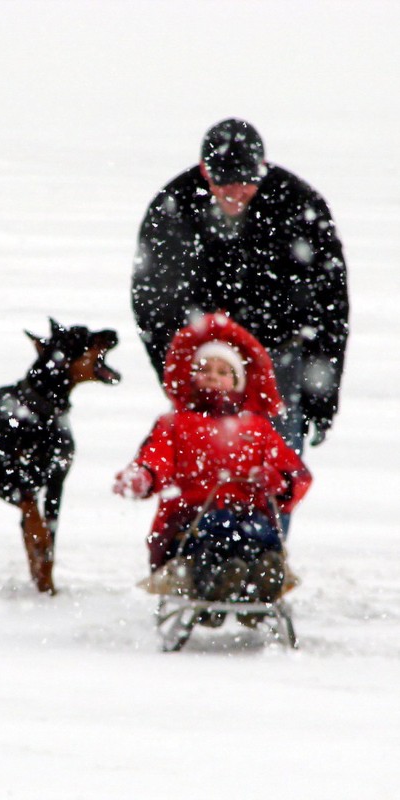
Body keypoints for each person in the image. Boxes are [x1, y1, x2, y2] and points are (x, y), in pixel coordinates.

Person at [132, 117, 349, 455]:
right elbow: (153, 304)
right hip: (206, 366)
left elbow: (330, 305)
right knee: (202, 477)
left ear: (261, 170)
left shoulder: (299, 204)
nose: (235, 193)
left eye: (245, 183)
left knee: (274, 474)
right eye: (223, 184)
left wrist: (321, 397)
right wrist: (176, 375)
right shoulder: (175, 207)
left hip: (279, 361)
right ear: (206, 172)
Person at [113, 313, 312, 608]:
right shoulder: (175, 424)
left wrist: (279, 481)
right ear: (191, 376)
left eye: (223, 372)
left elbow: (293, 471)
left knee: (259, 534)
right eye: (205, 369)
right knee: (215, 534)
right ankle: (218, 579)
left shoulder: (257, 428)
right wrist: (144, 476)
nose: (213, 377)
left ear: (238, 382)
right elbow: (157, 458)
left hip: (248, 514)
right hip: (191, 518)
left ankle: (261, 576)